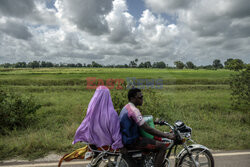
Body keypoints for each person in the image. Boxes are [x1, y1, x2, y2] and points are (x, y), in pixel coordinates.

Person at [119, 88, 175, 167]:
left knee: (153, 141)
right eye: (140, 97)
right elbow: (147, 128)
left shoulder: (127, 107)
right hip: (133, 141)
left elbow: (140, 120)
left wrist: (154, 122)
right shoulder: (134, 110)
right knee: (162, 146)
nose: (142, 99)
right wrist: (167, 135)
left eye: (142, 97)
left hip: (127, 138)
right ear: (132, 98)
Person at [73, 86, 123, 150]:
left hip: (93, 144)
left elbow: (85, 125)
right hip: (108, 146)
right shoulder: (111, 113)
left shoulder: (91, 111)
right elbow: (115, 133)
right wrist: (120, 144)